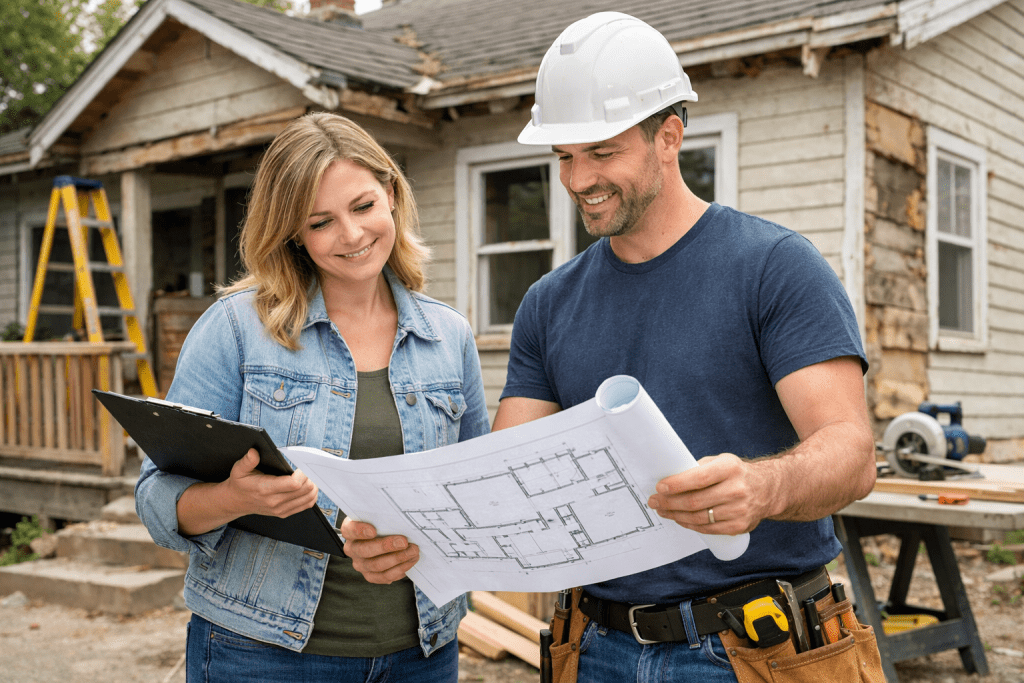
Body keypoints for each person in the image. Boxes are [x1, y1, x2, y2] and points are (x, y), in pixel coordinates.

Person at [491, 11, 877, 682]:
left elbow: (852, 454)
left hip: (755, 646)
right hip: (596, 645)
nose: (578, 179)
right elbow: (507, 474)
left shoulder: (774, 267)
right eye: (563, 157)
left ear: (668, 136)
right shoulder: (548, 303)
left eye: (601, 152)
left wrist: (762, 485)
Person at [135, 112, 489, 682]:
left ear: (392, 195)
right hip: (261, 655)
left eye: (364, 206)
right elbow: (156, 500)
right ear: (293, 233)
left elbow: (478, 496)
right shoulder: (234, 331)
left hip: (422, 654)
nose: (351, 235)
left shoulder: (449, 338)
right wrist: (235, 497)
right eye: (321, 221)